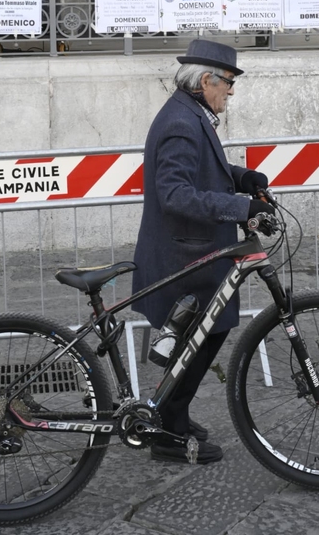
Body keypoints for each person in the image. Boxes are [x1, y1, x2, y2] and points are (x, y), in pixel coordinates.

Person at [131, 39, 274, 464]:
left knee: (205, 336)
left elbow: (202, 169)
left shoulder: (189, 113)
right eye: (228, 82)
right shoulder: (181, 121)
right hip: (185, 255)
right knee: (202, 337)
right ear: (206, 79)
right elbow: (175, 193)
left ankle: (174, 416)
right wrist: (239, 206)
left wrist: (241, 177)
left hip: (195, 250)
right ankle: (169, 432)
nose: (231, 90)